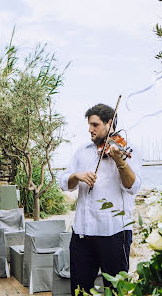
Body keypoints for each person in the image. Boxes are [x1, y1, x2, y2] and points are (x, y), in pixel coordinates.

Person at [60, 103, 142, 295]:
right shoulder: (82, 151)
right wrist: (77, 175)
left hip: (115, 233)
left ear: (110, 123)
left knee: (116, 291)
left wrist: (120, 162)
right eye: (89, 125)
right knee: (79, 290)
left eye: (95, 125)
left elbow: (133, 187)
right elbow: (65, 183)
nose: (90, 129)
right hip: (82, 233)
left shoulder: (128, 149)